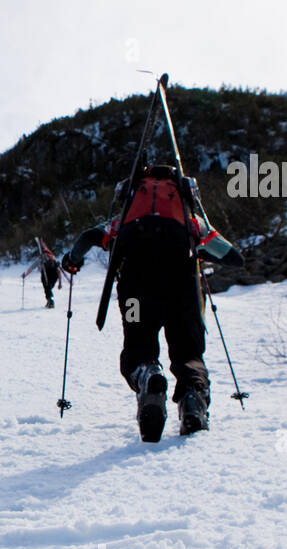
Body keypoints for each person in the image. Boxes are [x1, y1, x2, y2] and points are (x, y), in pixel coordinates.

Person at [61, 165, 242, 442]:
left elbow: (87, 238)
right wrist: (202, 248)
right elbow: (233, 257)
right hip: (183, 287)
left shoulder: (123, 221)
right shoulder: (192, 221)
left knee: (138, 345)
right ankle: (193, 400)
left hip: (136, 288)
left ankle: (147, 377)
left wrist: (72, 261)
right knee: (187, 352)